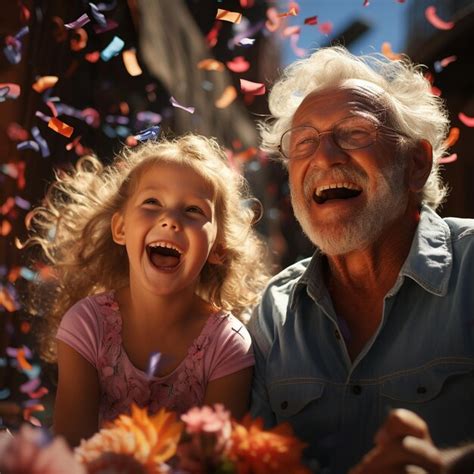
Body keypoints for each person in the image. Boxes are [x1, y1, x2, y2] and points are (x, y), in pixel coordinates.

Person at [248, 45, 474, 474]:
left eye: (354, 133)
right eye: (304, 142)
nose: (325, 156)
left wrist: (449, 466)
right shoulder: (273, 314)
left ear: (416, 163)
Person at [24, 134, 269, 447]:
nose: (169, 219)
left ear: (218, 248)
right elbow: (70, 453)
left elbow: (213, 463)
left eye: (193, 210)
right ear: (121, 228)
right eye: (152, 202)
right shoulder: (87, 325)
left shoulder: (227, 346)